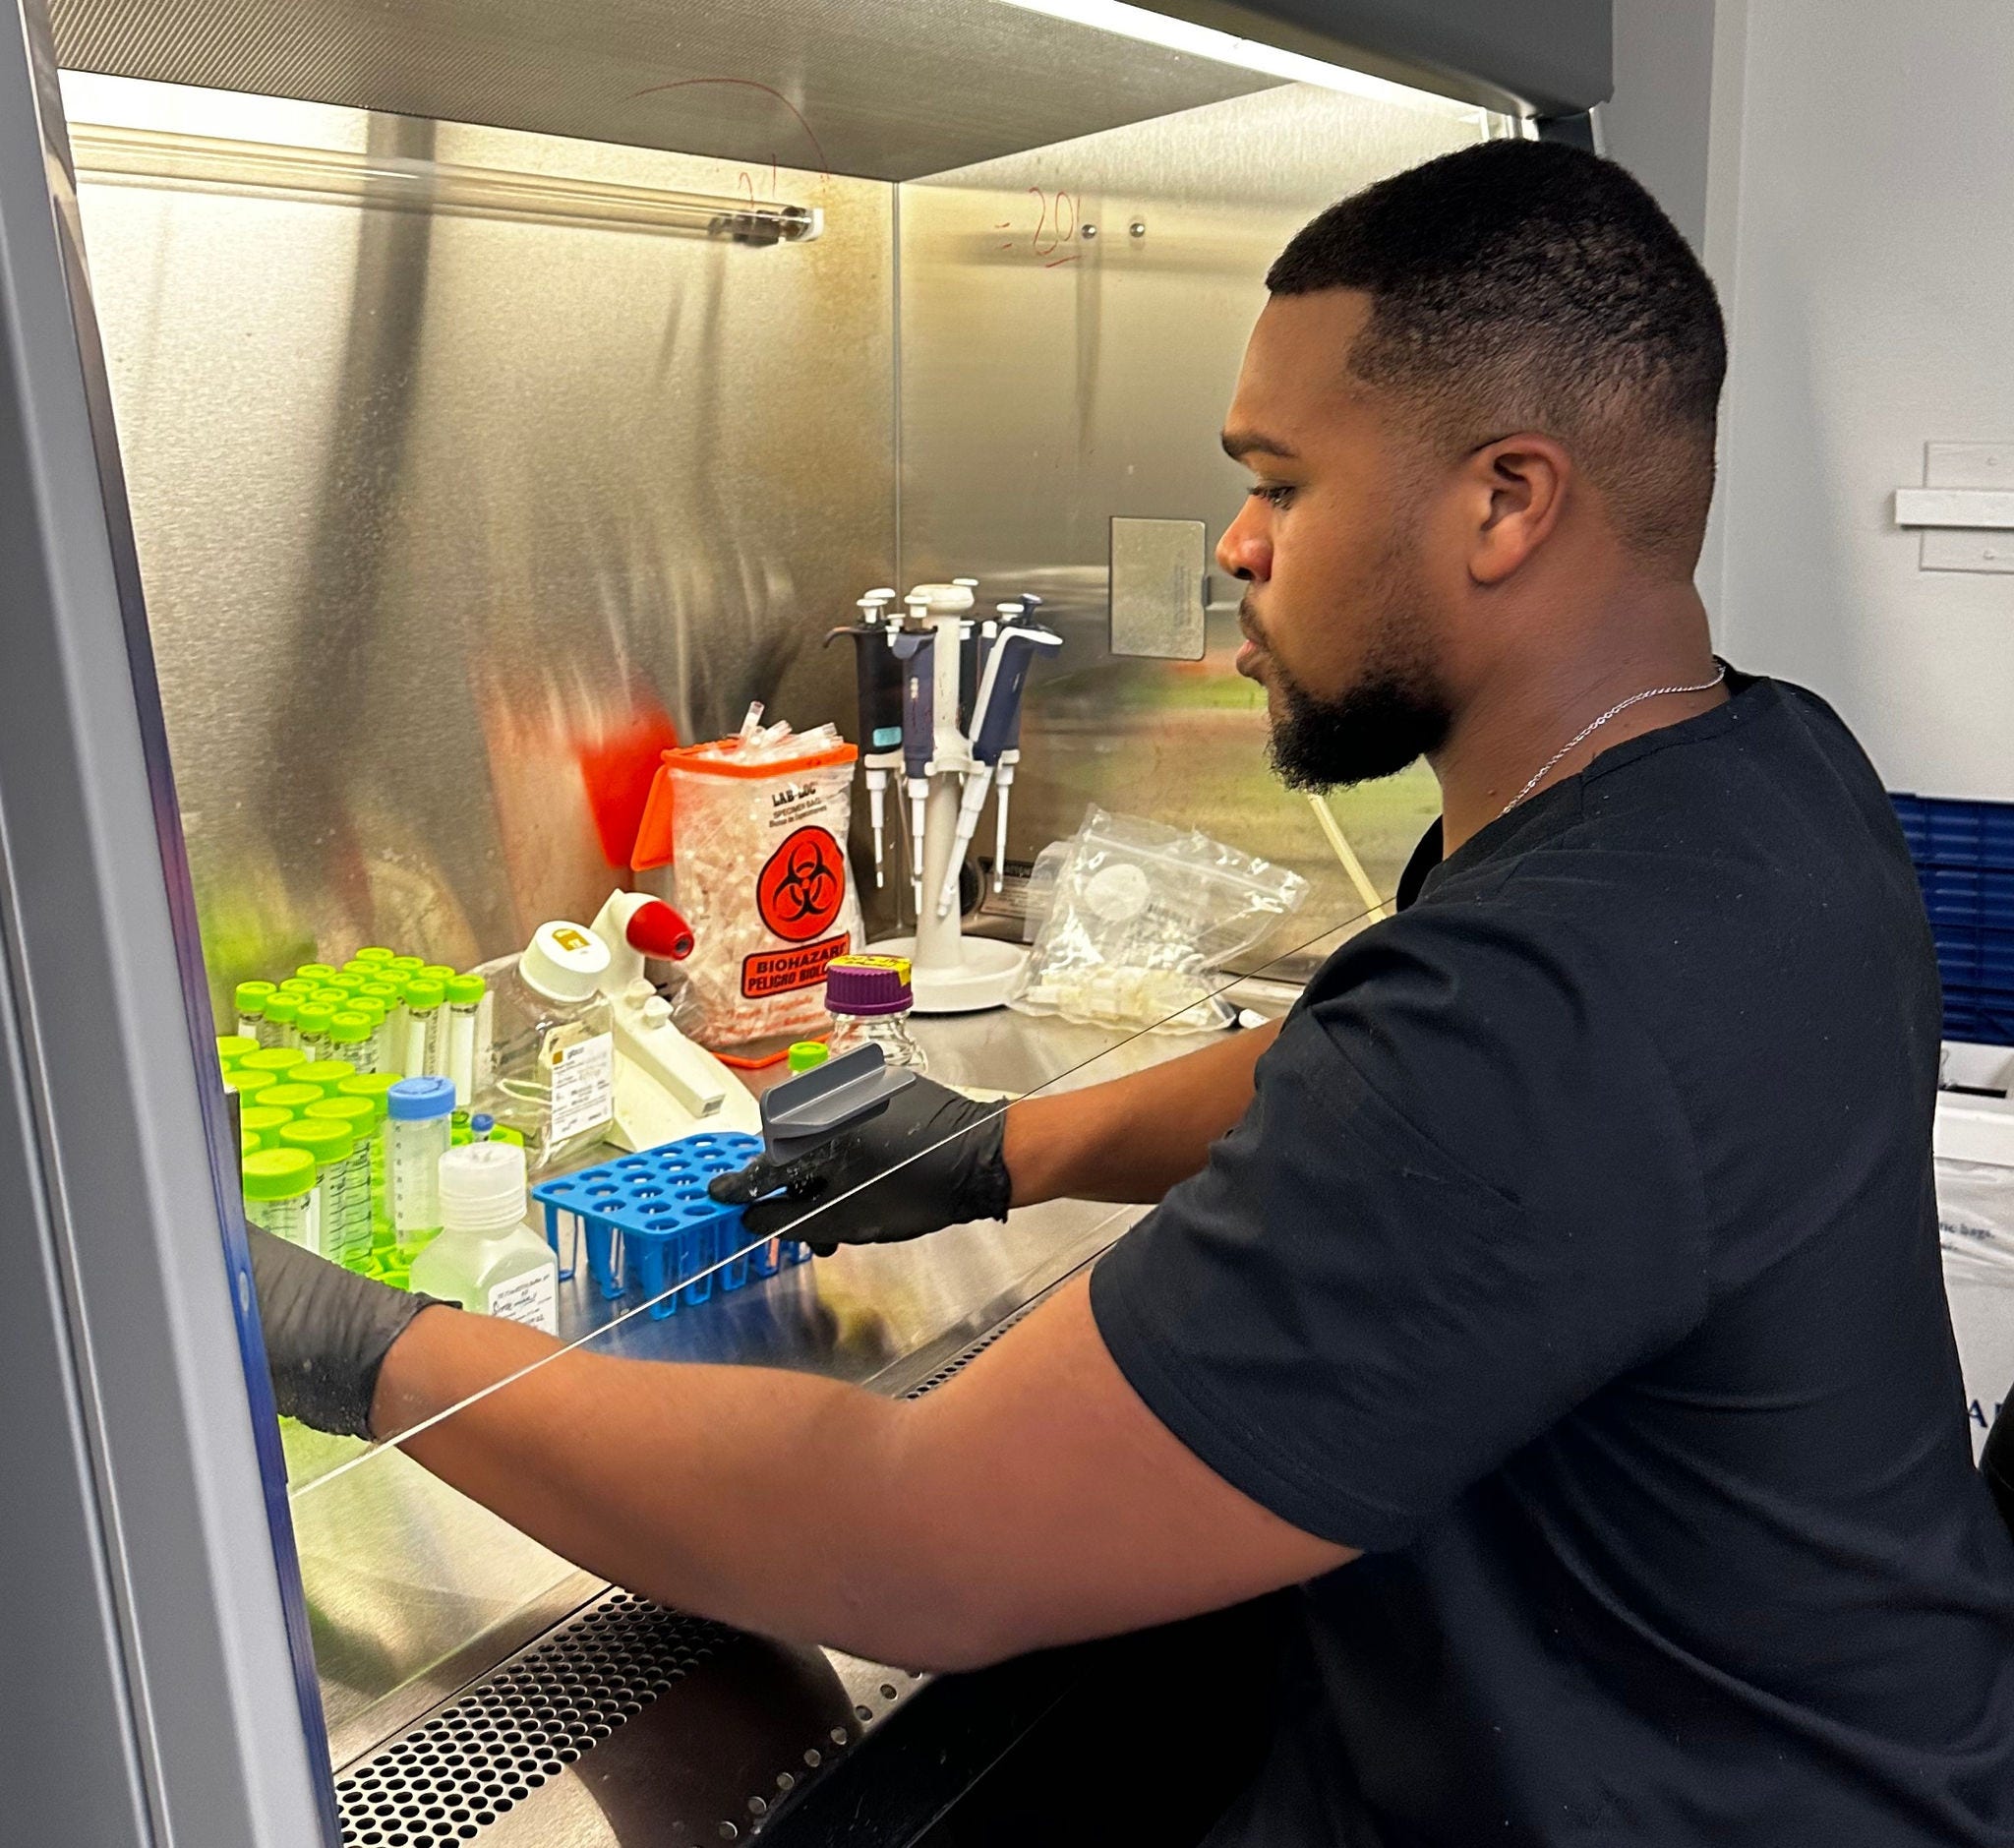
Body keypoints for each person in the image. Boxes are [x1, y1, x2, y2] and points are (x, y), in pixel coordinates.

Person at [252, 140, 2014, 1844]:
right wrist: (1006, 1146)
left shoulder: (1557, 997)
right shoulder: (1746, 776)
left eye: (1282, 482)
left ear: (1505, 500)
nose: (1239, 546)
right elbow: (1344, 1064)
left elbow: (918, 1540)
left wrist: (365, 1348)